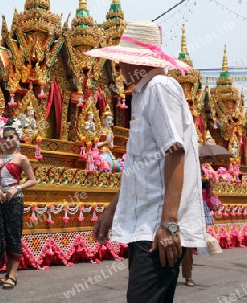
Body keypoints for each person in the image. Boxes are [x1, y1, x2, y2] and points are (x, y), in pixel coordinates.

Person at [86, 20, 206, 303]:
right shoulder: (144, 94)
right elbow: (140, 169)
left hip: (157, 229)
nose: (120, 67)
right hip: (147, 226)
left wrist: (169, 224)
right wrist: (112, 210)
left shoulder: (159, 87)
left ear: (137, 61)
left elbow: (175, 152)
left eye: (122, 60)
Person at [0, 118, 36, 289]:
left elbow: (32, 180)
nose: (8, 140)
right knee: (1, 234)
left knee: (13, 235)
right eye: (5, 137)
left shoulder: (21, 158)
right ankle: (6, 272)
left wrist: (15, 189)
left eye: (12, 137)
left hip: (14, 200)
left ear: (17, 139)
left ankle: (13, 274)